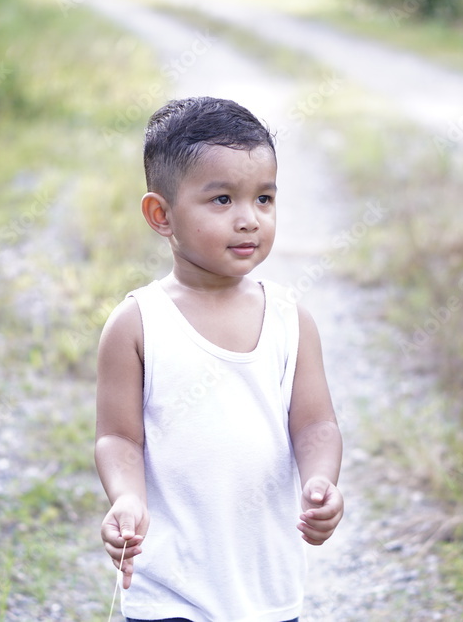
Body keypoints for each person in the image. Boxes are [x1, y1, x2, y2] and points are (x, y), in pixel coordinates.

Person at [95, 96, 344, 622]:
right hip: (170, 589)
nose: (249, 220)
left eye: (264, 198)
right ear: (161, 215)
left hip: (265, 589)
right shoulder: (138, 323)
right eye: (223, 200)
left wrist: (321, 480)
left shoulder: (288, 319)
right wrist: (126, 500)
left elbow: (316, 423)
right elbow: (118, 437)